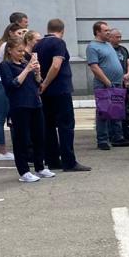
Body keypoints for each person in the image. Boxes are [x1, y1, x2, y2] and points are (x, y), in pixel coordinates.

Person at [35, 19, 89, 173]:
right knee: (66, 126)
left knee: (49, 126)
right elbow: (56, 64)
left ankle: (52, 159)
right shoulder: (58, 43)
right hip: (60, 89)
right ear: (62, 30)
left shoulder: (38, 44)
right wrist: (46, 82)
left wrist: (41, 84)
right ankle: (69, 161)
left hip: (45, 93)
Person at [0, 34, 55, 182]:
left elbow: (38, 83)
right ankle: (23, 171)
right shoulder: (5, 65)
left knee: (39, 136)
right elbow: (13, 84)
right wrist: (27, 69)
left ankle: (40, 166)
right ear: (9, 50)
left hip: (35, 103)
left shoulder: (25, 63)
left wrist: (37, 72)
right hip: (19, 105)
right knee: (22, 139)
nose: (22, 54)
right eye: (18, 51)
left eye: (23, 51)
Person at [85, 20, 129, 151]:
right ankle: (102, 140)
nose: (108, 32)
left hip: (116, 82)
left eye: (108, 30)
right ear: (98, 32)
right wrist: (107, 81)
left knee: (116, 110)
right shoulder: (92, 47)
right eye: (105, 31)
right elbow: (94, 67)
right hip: (104, 84)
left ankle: (117, 137)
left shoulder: (108, 45)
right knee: (103, 112)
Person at [0, 22, 26, 161]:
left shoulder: (0, 43)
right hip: (0, 83)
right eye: (19, 33)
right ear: (10, 32)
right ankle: (1, 151)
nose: (21, 35)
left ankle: (1, 150)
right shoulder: (6, 46)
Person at [109, 28, 129, 140]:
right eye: (117, 37)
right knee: (115, 109)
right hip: (114, 83)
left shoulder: (123, 49)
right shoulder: (108, 49)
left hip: (124, 83)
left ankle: (126, 131)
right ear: (110, 37)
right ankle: (115, 133)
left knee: (125, 108)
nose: (119, 39)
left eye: (120, 37)